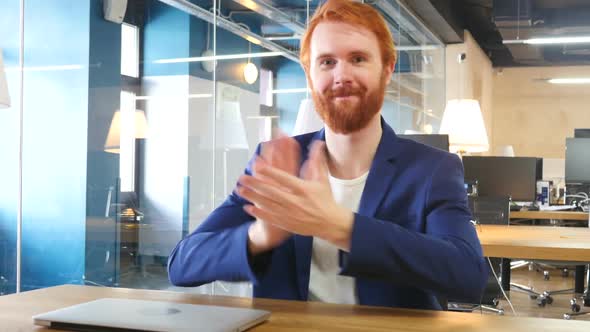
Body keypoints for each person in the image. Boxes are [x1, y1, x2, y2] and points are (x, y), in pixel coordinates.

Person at [168, 0, 487, 310]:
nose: (341, 75)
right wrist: (259, 235)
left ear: (387, 70)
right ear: (310, 75)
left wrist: (340, 226)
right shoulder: (277, 161)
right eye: (327, 62)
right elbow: (182, 263)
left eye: (358, 59)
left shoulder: (432, 169)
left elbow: (468, 276)